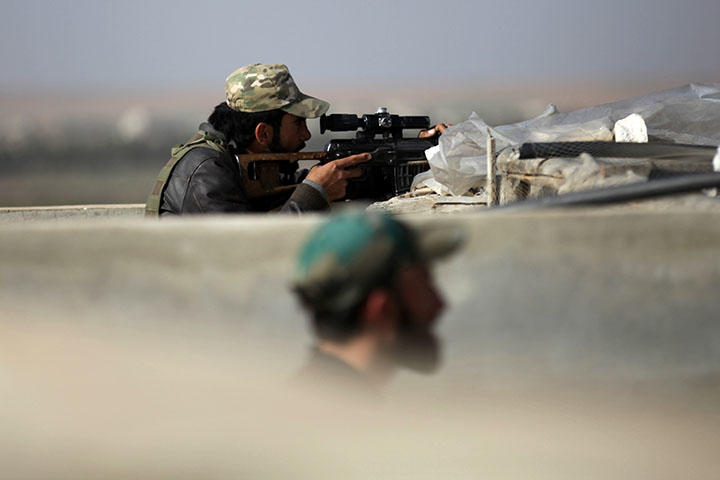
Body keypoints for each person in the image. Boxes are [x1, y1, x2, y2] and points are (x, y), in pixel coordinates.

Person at [292, 211, 464, 398]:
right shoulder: (352, 419)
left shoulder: (307, 402)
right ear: (381, 309)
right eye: (425, 284)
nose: (440, 304)